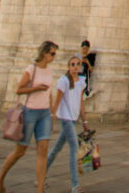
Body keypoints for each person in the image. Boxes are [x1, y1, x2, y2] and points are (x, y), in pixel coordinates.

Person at [0, 39, 58, 193]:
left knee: (42, 150)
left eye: (55, 54)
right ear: (44, 53)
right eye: (52, 53)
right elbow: (19, 89)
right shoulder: (31, 69)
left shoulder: (49, 72)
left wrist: (51, 114)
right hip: (30, 112)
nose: (54, 57)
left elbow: (49, 94)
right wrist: (35, 88)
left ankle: (40, 190)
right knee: (20, 151)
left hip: (44, 114)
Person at [46, 54, 90, 193]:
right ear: (68, 67)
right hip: (65, 118)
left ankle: (41, 175)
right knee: (74, 147)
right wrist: (52, 117)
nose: (75, 66)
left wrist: (85, 121)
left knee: (56, 148)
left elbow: (81, 102)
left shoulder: (82, 81)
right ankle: (75, 185)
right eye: (72, 64)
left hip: (73, 118)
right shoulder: (64, 81)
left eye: (77, 64)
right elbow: (57, 101)